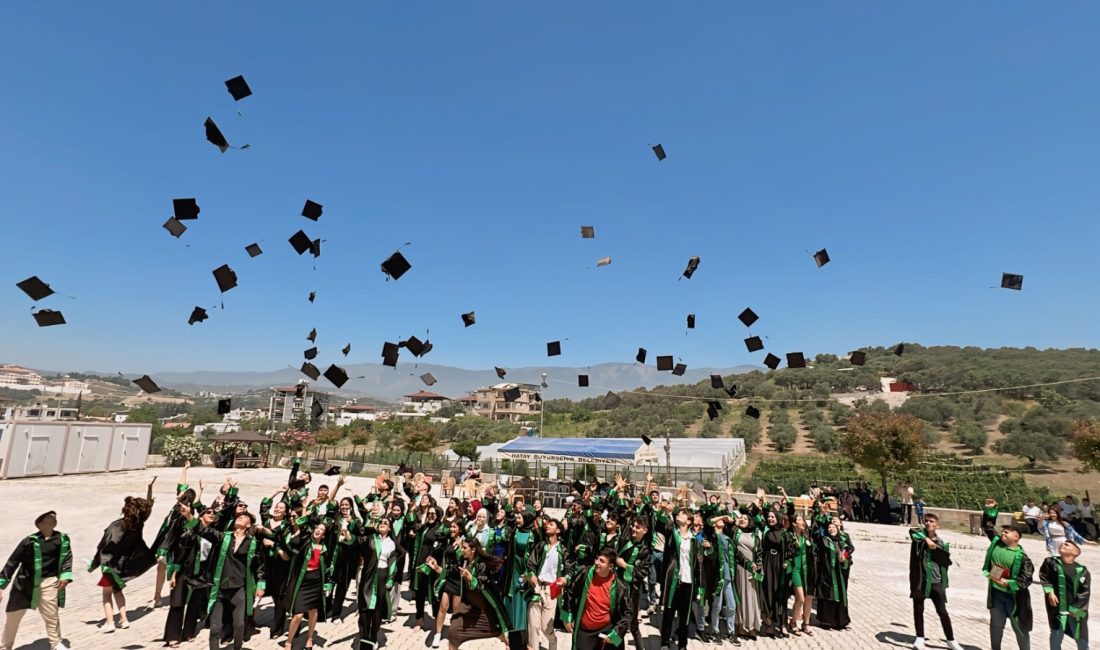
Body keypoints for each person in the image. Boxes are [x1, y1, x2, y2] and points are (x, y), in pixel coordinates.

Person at [188, 506, 267, 650]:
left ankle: (237, 647)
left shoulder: (253, 543)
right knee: (215, 627)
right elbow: (204, 530)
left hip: (238, 589)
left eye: (244, 518)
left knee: (239, 625)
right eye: (239, 517)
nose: (240, 518)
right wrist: (188, 516)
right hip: (219, 589)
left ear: (248, 525)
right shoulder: (224, 537)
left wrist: (261, 585)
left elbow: (260, 566)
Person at [88, 479, 157, 632]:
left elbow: (103, 546)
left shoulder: (115, 526)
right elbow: (149, 507)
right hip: (123, 565)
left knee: (107, 594)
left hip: (110, 566)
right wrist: (150, 489)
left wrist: (94, 564)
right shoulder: (138, 524)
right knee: (118, 591)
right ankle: (124, 619)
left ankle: (109, 622)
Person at [0, 511, 73, 650]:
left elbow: (67, 559)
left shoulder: (62, 539)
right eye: (46, 521)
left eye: (52, 521)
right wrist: (1, 585)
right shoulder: (29, 541)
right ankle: (5, 646)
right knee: (13, 616)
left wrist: (65, 575)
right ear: (39, 524)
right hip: (24, 583)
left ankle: (56, 643)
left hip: (49, 582)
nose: (49, 524)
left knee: (51, 614)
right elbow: (13, 562)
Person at [908, 514, 963, 650]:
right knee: (918, 609)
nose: (928, 523)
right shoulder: (918, 538)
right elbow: (912, 531)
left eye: (931, 521)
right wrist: (926, 539)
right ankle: (919, 638)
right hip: (920, 580)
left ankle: (950, 639)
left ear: (937, 525)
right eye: (926, 521)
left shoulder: (940, 542)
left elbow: (944, 562)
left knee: (942, 611)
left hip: (936, 581)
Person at [563, 548, 634, 650]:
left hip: (608, 629)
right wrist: (567, 617)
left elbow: (627, 613)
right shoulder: (585, 573)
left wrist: (615, 635)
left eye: (602, 561)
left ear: (611, 566)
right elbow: (570, 591)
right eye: (597, 559)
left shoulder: (620, 586)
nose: (597, 562)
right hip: (586, 630)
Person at [447, 536, 510, 650]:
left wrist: (471, 578)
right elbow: (451, 572)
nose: (462, 550)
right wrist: (436, 568)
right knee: (453, 632)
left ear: (473, 550)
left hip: (484, 611)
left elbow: (482, 586)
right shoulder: (464, 560)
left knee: (503, 636)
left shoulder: (482, 565)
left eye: (464, 548)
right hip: (469, 607)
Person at [657, 508, 704, 650]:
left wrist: (700, 587)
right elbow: (659, 523)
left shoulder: (695, 540)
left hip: (688, 582)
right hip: (673, 580)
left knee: (684, 616)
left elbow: (699, 564)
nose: (679, 515)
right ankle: (665, 642)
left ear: (689, 521)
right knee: (668, 613)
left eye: (683, 514)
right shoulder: (672, 533)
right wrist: (664, 511)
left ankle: (682, 645)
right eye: (678, 513)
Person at [982, 524, 1034, 650]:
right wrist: (990, 511)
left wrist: (1009, 583)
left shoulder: (1022, 557)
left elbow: (1026, 578)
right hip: (996, 594)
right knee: (996, 625)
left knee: (1020, 628)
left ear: (1016, 537)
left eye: (1006, 532)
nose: (1003, 533)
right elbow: (988, 527)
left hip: (1014, 598)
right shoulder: (997, 543)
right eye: (1002, 531)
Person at [283, 520, 331, 650]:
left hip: (315, 582)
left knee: (313, 611)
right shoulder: (305, 542)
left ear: (324, 535)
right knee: (298, 615)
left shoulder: (325, 549)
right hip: (302, 582)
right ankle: (288, 641)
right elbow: (295, 538)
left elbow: (327, 569)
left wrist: (327, 585)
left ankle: (309, 638)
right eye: (317, 527)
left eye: (322, 529)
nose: (318, 530)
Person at [526, 518, 570, 650]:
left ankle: (552, 643)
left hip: (552, 590)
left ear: (558, 530)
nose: (547, 526)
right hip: (537, 588)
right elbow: (531, 564)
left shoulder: (562, 550)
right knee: (533, 626)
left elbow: (569, 569)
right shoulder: (540, 546)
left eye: (551, 524)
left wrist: (565, 578)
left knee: (546, 628)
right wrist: (531, 575)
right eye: (547, 524)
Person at [354, 516, 398, 650]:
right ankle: (364, 638)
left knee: (377, 609)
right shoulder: (370, 538)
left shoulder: (392, 543)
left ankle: (373, 636)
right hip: (368, 574)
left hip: (382, 575)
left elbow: (393, 563)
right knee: (364, 607)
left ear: (390, 528)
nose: (383, 524)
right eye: (381, 522)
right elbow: (359, 539)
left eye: (386, 523)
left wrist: (390, 580)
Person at [1039, 540, 1090, 650]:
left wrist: (1075, 609)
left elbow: (1084, 593)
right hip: (1057, 608)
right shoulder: (1051, 562)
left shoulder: (1082, 571)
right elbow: (1044, 577)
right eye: (1062, 544)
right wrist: (1049, 591)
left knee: (1081, 640)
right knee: (1056, 635)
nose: (1062, 545)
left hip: (1075, 611)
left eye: (1067, 544)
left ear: (1075, 552)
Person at [815, 522, 850, 630]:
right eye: (829, 527)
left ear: (838, 529)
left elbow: (848, 551)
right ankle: (826, 621)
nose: (831, 529)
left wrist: (844, 557)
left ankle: (839, 621)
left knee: (839, 596)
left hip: (839, 573)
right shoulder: (824, 540)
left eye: (833, 527)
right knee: (827, 596)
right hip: (827, 572)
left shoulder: (842, 541)